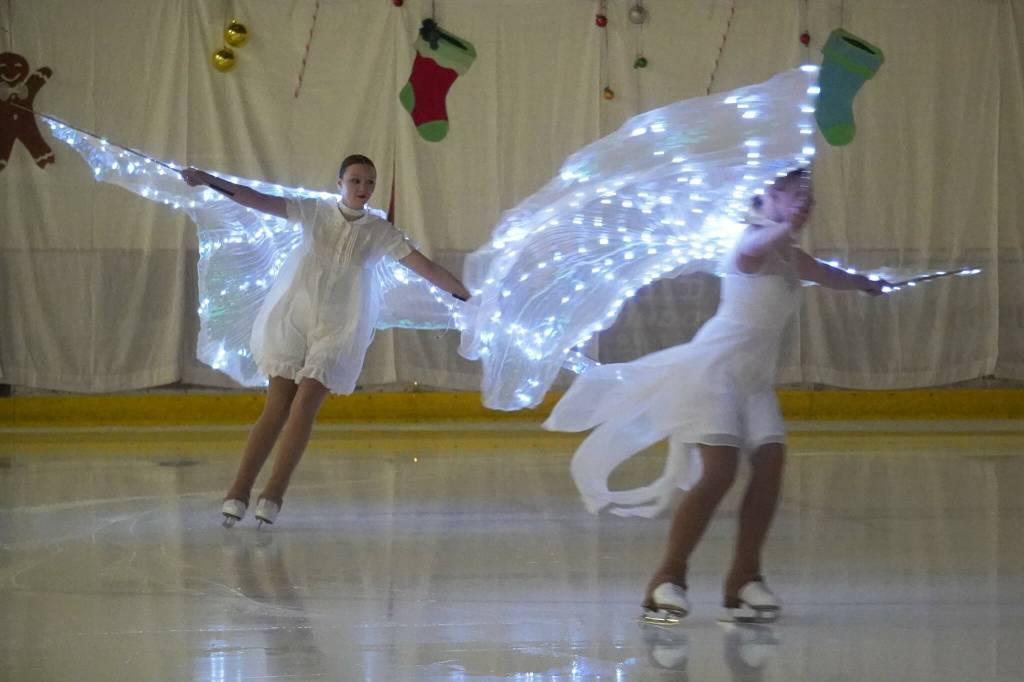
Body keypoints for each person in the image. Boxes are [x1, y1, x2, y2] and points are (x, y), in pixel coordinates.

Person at [543, 168, 888, 623]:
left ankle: (745, 578)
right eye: (791, 194)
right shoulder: (747, 243)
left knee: (770, 465)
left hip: (752, 382)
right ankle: (667, 579)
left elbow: (826, 274)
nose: (804, 203)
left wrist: (868, 283)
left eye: (808, 197)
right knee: (719, 473)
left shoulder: (791, 256)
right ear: (765, 198)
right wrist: (787, 223)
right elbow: (758, 249)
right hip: (713, 373)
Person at [180, 155, 471, 528]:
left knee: (304, 406)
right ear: (339, 182)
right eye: (355, 181)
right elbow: (254, 198)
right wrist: (206, 179)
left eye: (369, 182)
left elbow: (427, 268)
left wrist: (468, 298)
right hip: (292, 315)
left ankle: (273, 494)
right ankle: (237, 491)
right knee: (276, 406)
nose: (362, 189)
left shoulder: (381, 232)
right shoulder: (314, 212)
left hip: (339, 327)